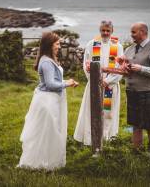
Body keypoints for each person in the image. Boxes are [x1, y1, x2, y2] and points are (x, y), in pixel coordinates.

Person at [104, 22, 150, 158]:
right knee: (136, 125)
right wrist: (122, 65)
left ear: (143, 32)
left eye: (134, 32)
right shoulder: (129, 49)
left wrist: (141, 68)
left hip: (148, 92)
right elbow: (126, 71)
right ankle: (136, 154)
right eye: (131, 32)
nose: (131, 35)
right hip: (132, 92)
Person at [18, 32, 78, 170]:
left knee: (51, 131)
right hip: (47, 101)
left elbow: (54, 81)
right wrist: (67, 83)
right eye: (57, 44)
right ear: (49, 45)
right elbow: (50, 84)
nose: (59, 46)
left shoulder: (49, 59)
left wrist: (66, 82)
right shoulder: (46, 62)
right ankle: (41, 163)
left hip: (51, 99)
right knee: (46, 132)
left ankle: (49, 160)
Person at [73, 20, 124, 145]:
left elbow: (120, 68)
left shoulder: (118, 47)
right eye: (103, 30)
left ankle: (107, 138)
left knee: (109, 113)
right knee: (92, 112)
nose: (105, 33)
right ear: (99, 30)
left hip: (110, 86)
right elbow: (86, 64)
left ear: (112, 31)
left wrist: (107, 80)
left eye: (108, 30)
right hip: (94, 86)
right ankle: (90, 139)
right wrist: (95, 80)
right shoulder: (92, 44)